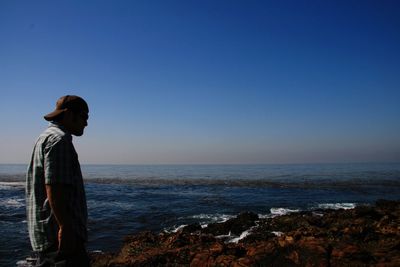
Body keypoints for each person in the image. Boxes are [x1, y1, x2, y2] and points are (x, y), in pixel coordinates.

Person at [26, 95, 90, 267]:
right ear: (69, 115)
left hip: (47, 236)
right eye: (84, 116)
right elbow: (54, 187)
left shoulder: (44, 137)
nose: (86, 123)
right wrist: (65, 228)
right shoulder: (59, 140)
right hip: (60, 240)